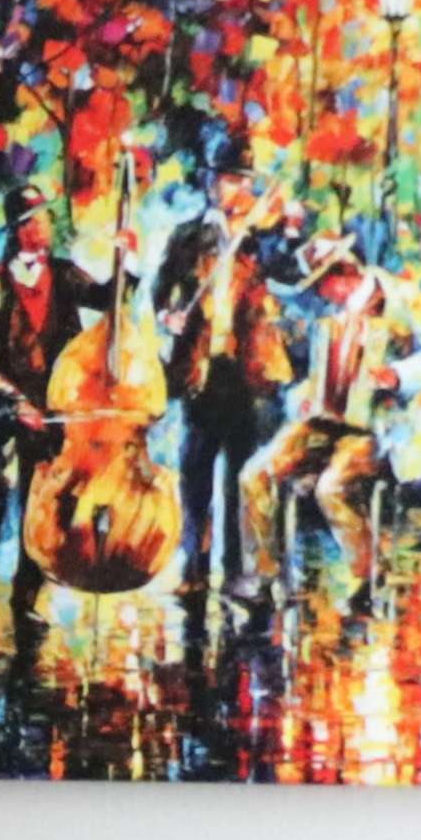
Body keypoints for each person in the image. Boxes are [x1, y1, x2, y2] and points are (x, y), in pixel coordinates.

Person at [241, 235, 421, 614]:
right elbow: (317, 375)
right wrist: (303, 397)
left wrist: (398, 375)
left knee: (332, 487)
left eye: (324, 284)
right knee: (255, 475)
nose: (323, 294)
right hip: (325, 420)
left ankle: (367, 574)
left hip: (381, 426)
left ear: (343, 273)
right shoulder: (332, 316)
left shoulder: (404, 298)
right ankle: (263, 574)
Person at [0, 182, 109, 653]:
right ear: (15, 231)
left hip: (51, 414)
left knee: (39, 511)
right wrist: (15, 404)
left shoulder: (63, 275)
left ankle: (26, 603)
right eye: (30, 222)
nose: (41, 228)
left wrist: (126, 258)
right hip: (3, 418)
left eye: (44, 219)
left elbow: (107, 298)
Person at [150, 136, 298, 625]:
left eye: (242, 181)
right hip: (201, 369)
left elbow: (290, 274)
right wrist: (169, 315)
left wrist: (286, 231)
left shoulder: (262, 239)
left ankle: (237, 572)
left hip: (248, 372)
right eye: (227, 179)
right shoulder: (189, 236)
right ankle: (194, 569)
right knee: (195, 472)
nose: (235, 189)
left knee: (241, 476)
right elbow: (162, 289)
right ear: (211, 183)